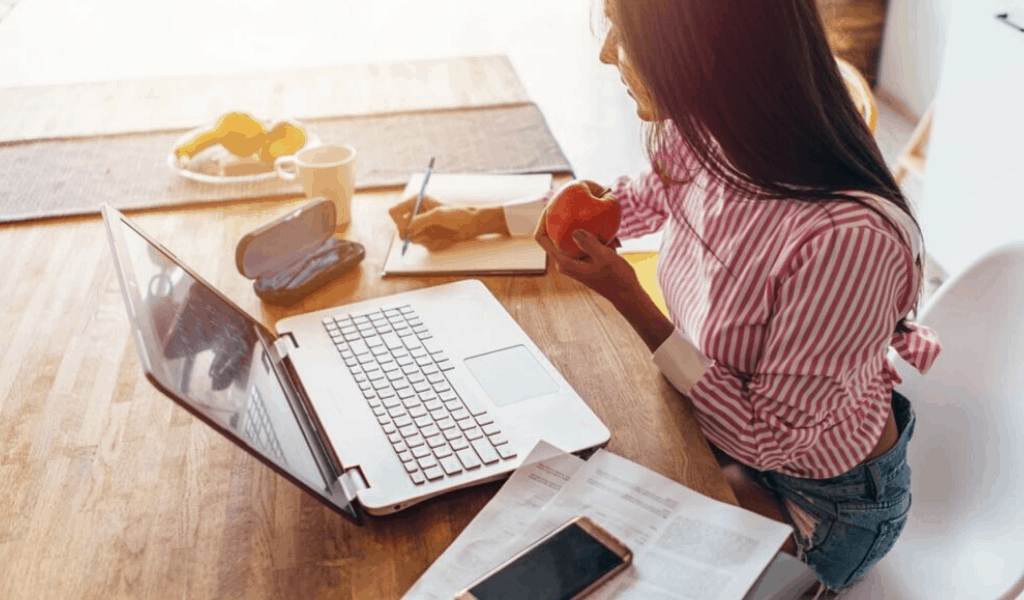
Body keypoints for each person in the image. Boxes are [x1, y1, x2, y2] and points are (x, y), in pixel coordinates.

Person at [388, 0, 941, 594]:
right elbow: (637, 199)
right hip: (715, 430)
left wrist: (628, 298)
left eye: (621, 36)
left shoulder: (847, 242)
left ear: (701, 53)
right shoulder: (713, 131)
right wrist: (480, 217)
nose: (605, 55)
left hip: (818, 504)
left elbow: (767, 438)